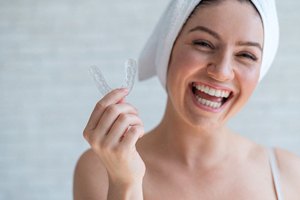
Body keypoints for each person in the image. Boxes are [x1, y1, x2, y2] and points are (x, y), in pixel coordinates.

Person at [73, 0, 300, 199]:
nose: (221, 71)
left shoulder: (288, 174)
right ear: (168, 48)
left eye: (246, 55)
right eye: (204, 43)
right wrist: (125, 183)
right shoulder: (100, 169)